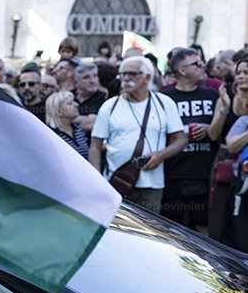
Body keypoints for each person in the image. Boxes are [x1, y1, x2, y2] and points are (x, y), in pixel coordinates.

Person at [89, 57, 187, 213]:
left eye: (132, 73)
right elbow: (95, 146)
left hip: (152, 185)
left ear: (147, 77)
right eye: (123, 74)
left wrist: (161, 155)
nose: (126, 78)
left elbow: (181, 139)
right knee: (115, 226)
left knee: (148, 228)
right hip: (116, 182)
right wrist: (96, 180)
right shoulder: (110, 106)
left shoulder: (164, 103)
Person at [162, 47, 219, 230]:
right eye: (197, 64)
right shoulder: (164, 98)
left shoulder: (212, 95)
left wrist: (210, 129)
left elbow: (223, 130)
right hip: (173, 173)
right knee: (171, 229)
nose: (202, 67)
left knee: (203, 228)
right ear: (182, 70)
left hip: (203, 173)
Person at [208, 58, 248, 245]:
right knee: (220, 216)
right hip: (226, 161)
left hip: (245, 165)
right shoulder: (226, 97)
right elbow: (213, 135)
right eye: (238, 72)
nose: (241, 76)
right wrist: (224, 108)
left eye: (246, 73)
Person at [45, 91, 89, 157]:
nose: (76, 105)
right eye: (70, 103)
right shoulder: (52, 135)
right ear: (59, 111)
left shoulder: (78, 130)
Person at [72, 63, 106, 140]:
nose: (92, 81)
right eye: (86, 77)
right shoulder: (69, 96)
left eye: (95, 76)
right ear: (76, 83)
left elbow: (92, 124)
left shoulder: (104, 98)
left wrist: (70, 120)